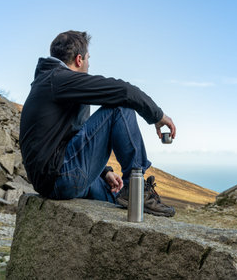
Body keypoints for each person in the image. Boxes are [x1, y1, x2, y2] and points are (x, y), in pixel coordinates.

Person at [19, 30, 176, 217]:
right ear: (79, 60)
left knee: (114, 196)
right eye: (88, 59)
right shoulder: (58, 79)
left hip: (55, 178)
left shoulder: (50, 82)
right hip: (61, 178)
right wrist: (157, 116)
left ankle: (131, 196)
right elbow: (123, 90)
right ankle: (137, 188)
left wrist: (105, 172)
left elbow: (69, 137)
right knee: (120, 107)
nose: (89, 64)